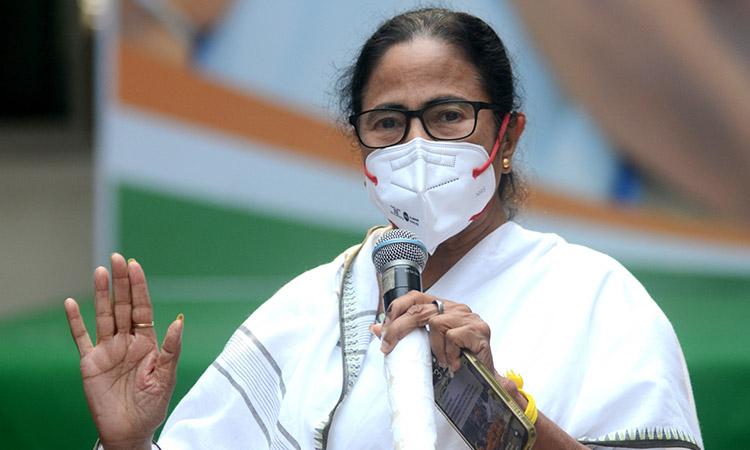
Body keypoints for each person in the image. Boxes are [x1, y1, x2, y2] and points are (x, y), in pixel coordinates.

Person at [64, 8, 703, 450]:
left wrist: (495, 411)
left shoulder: (595, 299)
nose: (417, 144)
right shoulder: (308, 310)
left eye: (449, 116)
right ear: (362, 146)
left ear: (508, 136)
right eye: (389, 122)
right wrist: (128, 441)